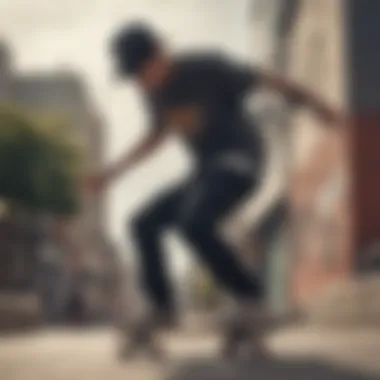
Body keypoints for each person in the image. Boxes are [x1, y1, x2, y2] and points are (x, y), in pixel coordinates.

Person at [87, 22, 343, 353]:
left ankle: (251, 298)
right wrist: (110, 173)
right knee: (142, 222)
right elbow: (154, 138)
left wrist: (316, 103)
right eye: (133, 78)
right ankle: (162, 307)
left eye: (142, 72)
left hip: (241, 161)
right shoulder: (155, 97)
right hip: (205, 171)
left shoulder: (208, 68)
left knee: (193, 221)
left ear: (160, 54)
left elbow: (269, 80)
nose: (141, 84)